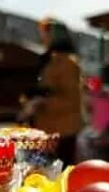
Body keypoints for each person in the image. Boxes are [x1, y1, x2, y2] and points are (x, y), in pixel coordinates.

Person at [25, 18, 83, 164]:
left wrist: (40, 102)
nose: (41, 37)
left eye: (44, 32)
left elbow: (71, 101)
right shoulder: (51, 59)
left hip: (62, 132)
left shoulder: (67, 63)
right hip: (49, 130)